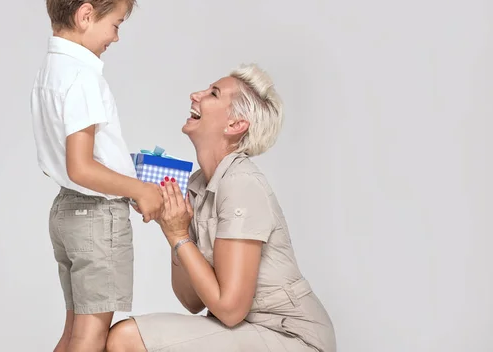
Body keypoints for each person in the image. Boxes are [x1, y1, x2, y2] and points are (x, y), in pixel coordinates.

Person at [105, 64, 336, 352]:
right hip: (247, 330)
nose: (195, 95)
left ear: (235, 125)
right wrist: (172, 228)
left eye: (213, 93)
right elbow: (191, 301)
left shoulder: (241, 184)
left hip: (289, 337)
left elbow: (229, 310)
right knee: (124, 337)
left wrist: (180, 236)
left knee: (126, 339)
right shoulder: (199, 184)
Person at [30, 0, 163, 352]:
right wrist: (140, 189)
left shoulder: (51, 70)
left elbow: (77, 161)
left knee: (73, 332)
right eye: (115, 25)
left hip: (67, 212)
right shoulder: (83, 77)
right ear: (86, 15)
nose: (116, 37)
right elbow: (82, 166)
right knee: (91, 336)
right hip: (95, 217)